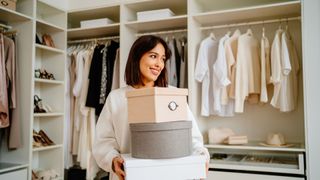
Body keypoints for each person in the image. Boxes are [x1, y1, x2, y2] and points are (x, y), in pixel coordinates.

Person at [92, 35, 209, 180]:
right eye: (153, 56)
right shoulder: (116, 98)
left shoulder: (172, 95)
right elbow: (103, 141)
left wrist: (200, 157)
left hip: (170, 174)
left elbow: (192, 137)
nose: (159, 64)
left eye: (163, 59)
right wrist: (113, 159)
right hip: (130, 175)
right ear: (137, 57)